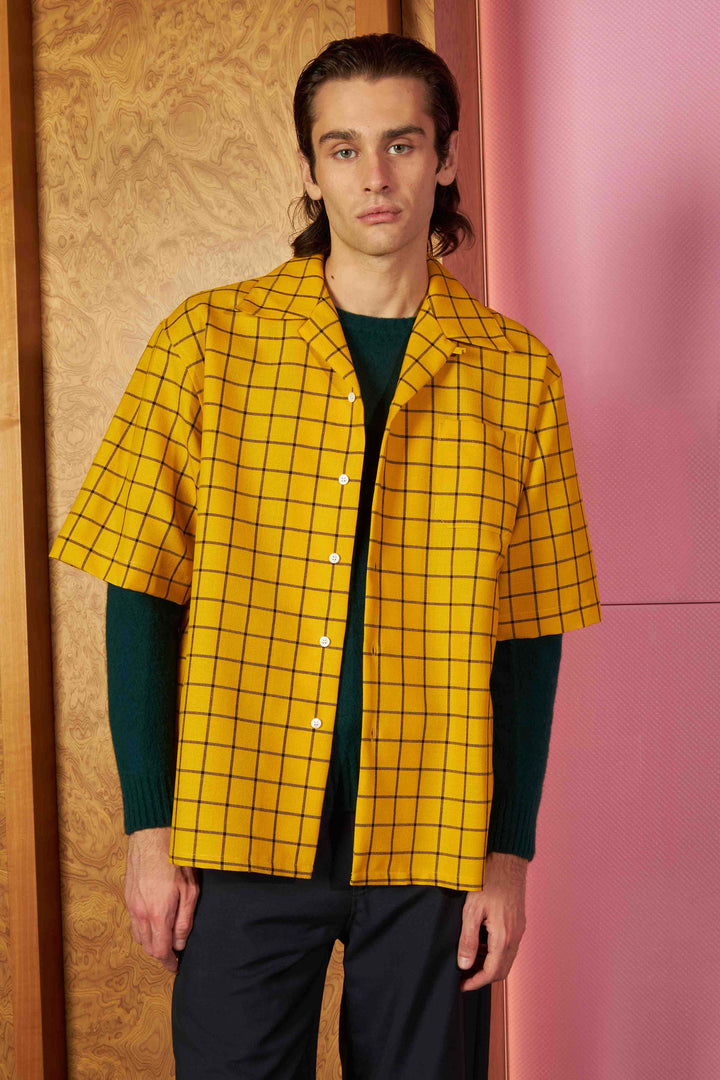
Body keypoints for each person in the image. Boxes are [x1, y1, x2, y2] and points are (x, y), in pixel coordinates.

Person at [50, 32, 601, 1079]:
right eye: (343, 149)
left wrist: (509, 857)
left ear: (445, 158)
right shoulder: (204, 343)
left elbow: (529, 639)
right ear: (309, 169)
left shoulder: (517, 375)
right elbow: (141, 596)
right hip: (237, 826)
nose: (374, 176)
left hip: (435, 838)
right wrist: (150, 833)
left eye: (401, 143)